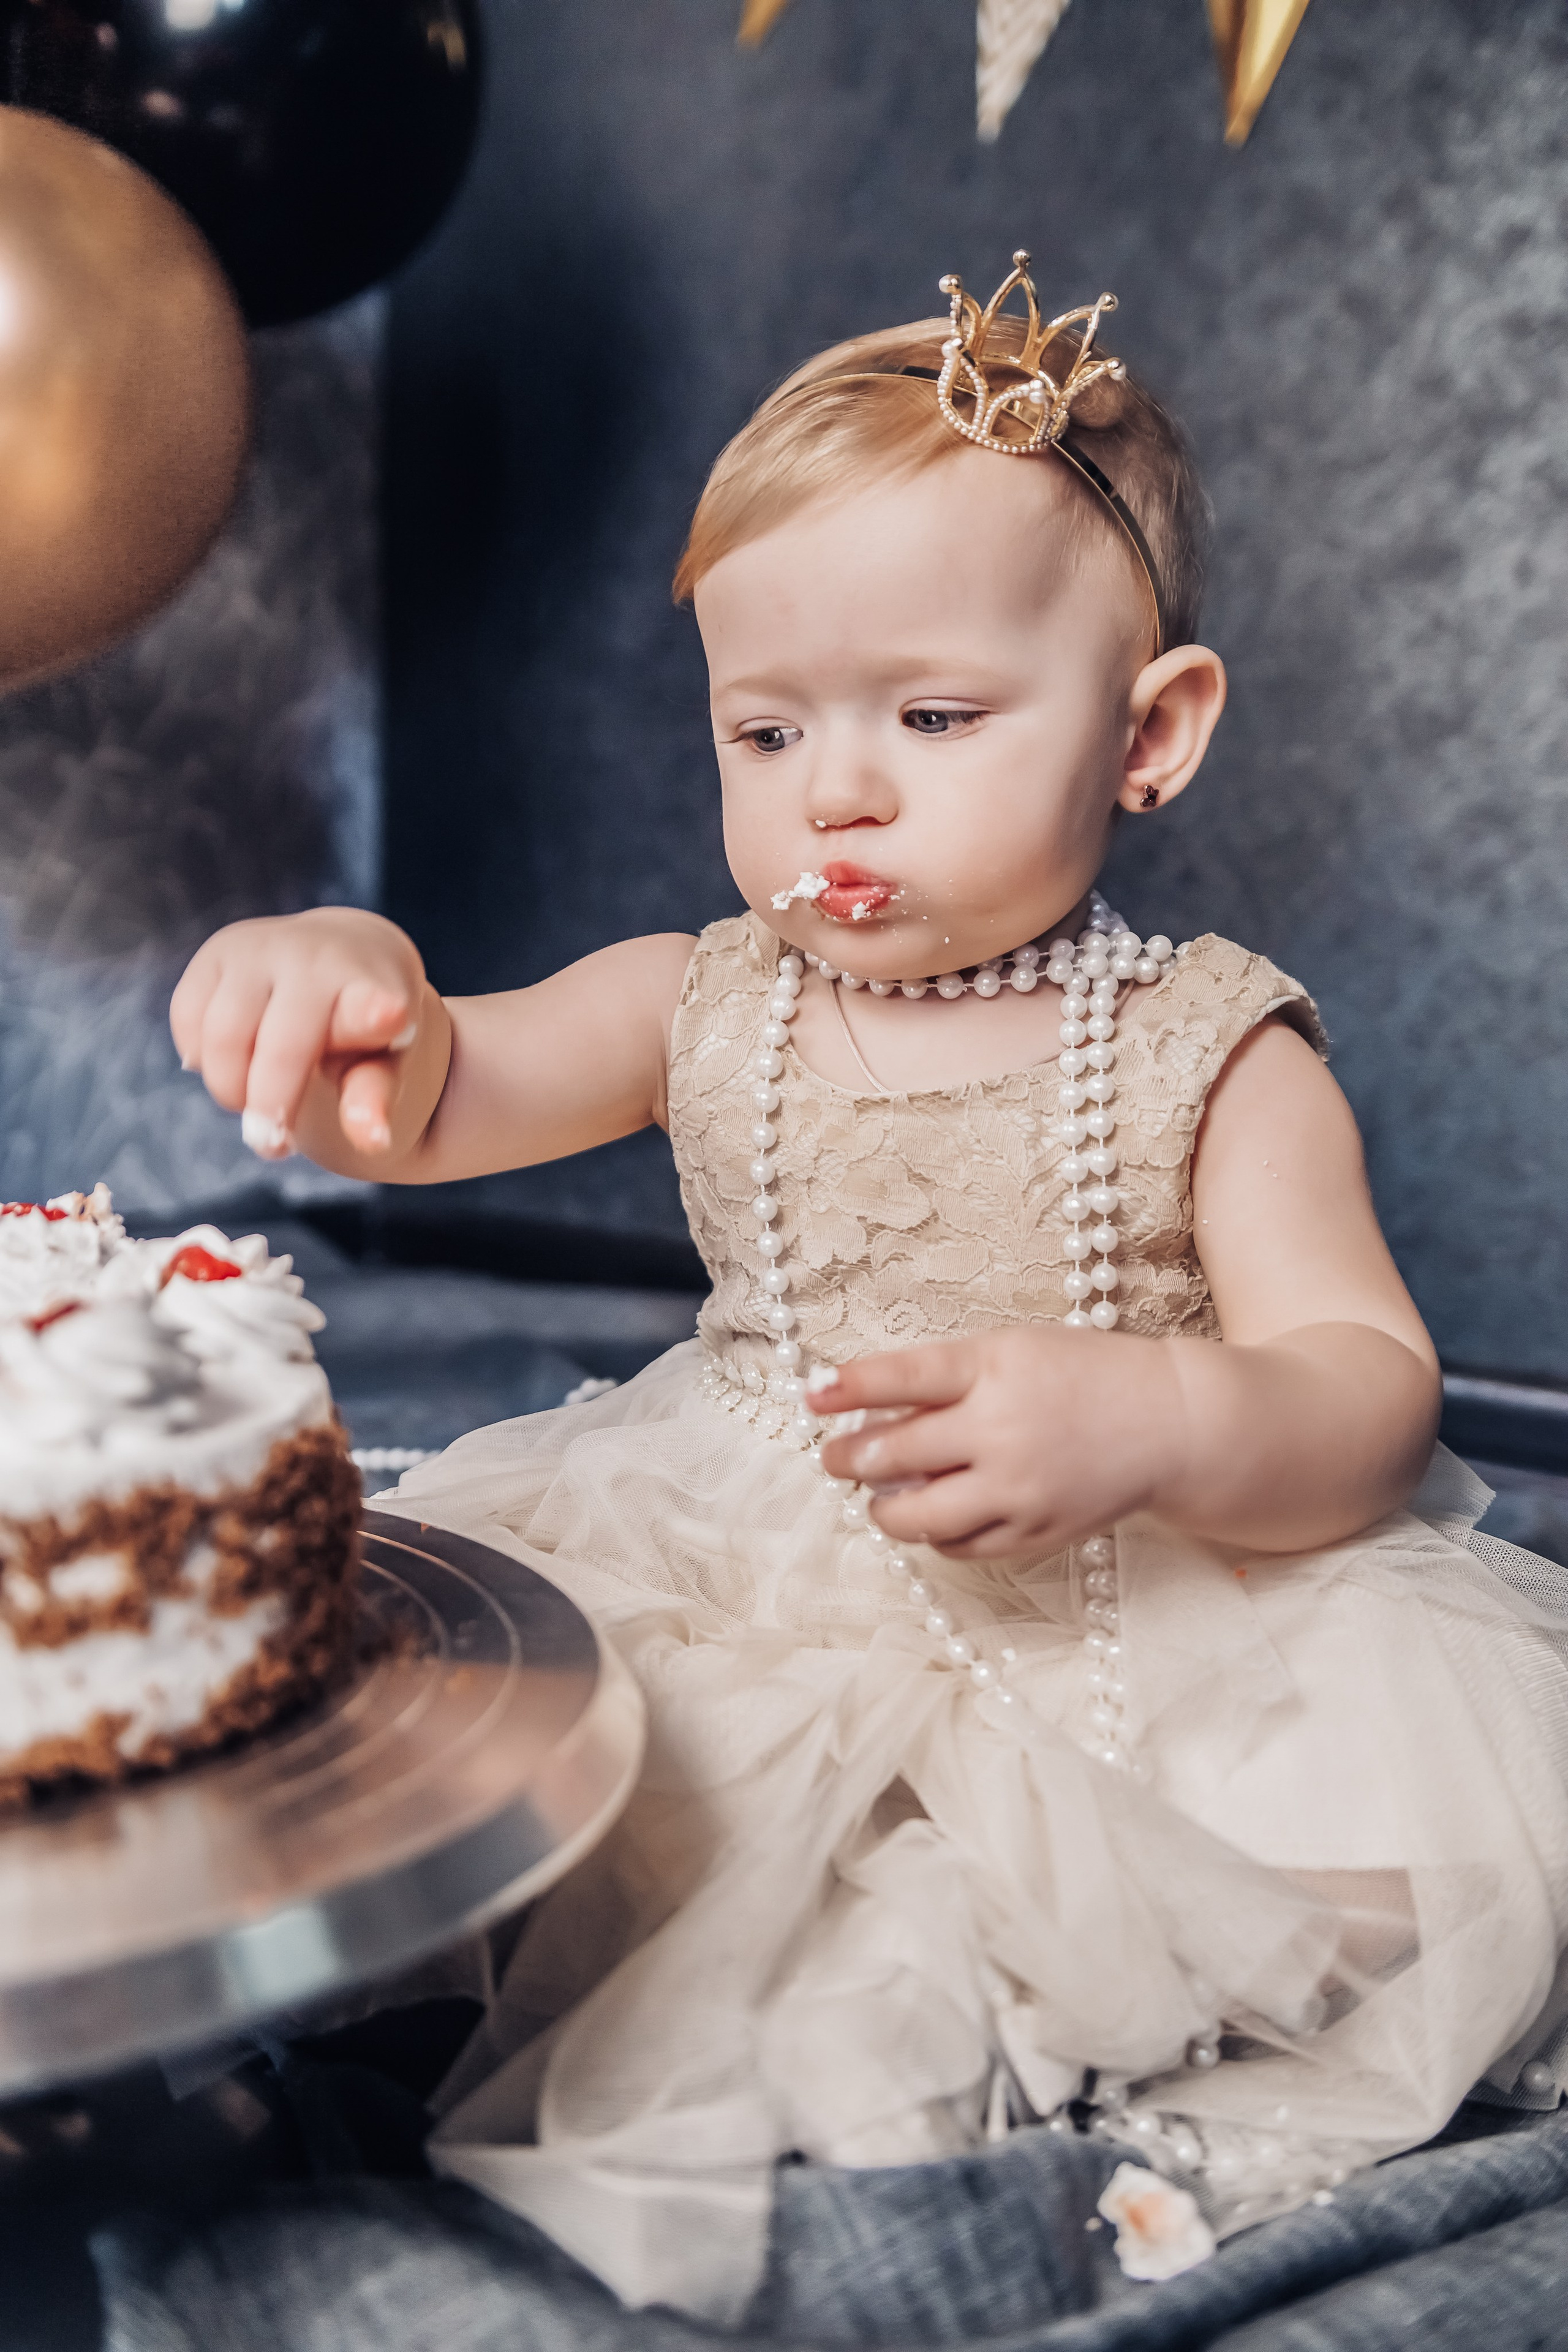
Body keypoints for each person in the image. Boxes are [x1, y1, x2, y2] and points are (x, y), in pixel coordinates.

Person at [170, 255, 1568, 2324]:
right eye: (766, 726)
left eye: (931, 718)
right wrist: (347, 979)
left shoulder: (1211, 1048)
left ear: (1148, 732)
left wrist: (1166, 1421)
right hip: (744, 1543)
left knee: (1315, 1897)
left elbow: (1366, 1392)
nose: (836, 787)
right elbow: (439, 1095)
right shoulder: (700, 997)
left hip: (1138, 1597)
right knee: (516, 1780)